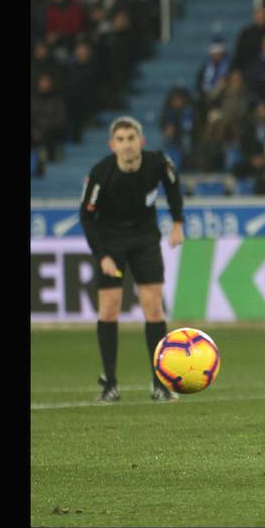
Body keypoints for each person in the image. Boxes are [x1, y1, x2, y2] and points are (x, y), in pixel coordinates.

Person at [79, 116, 186, 403]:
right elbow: (86, 217)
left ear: (142, 141)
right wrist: (101, 256)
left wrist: (178, 222)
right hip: (111, 243)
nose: (126, 145)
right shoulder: (101, 173)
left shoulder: (157, 163)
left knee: (153, 308)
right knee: (109, 309)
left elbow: (173, 186)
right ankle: (110, 384)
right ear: (112, 145)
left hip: (145, 240)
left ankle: (160, 383)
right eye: (121, 140)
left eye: (131, 138)